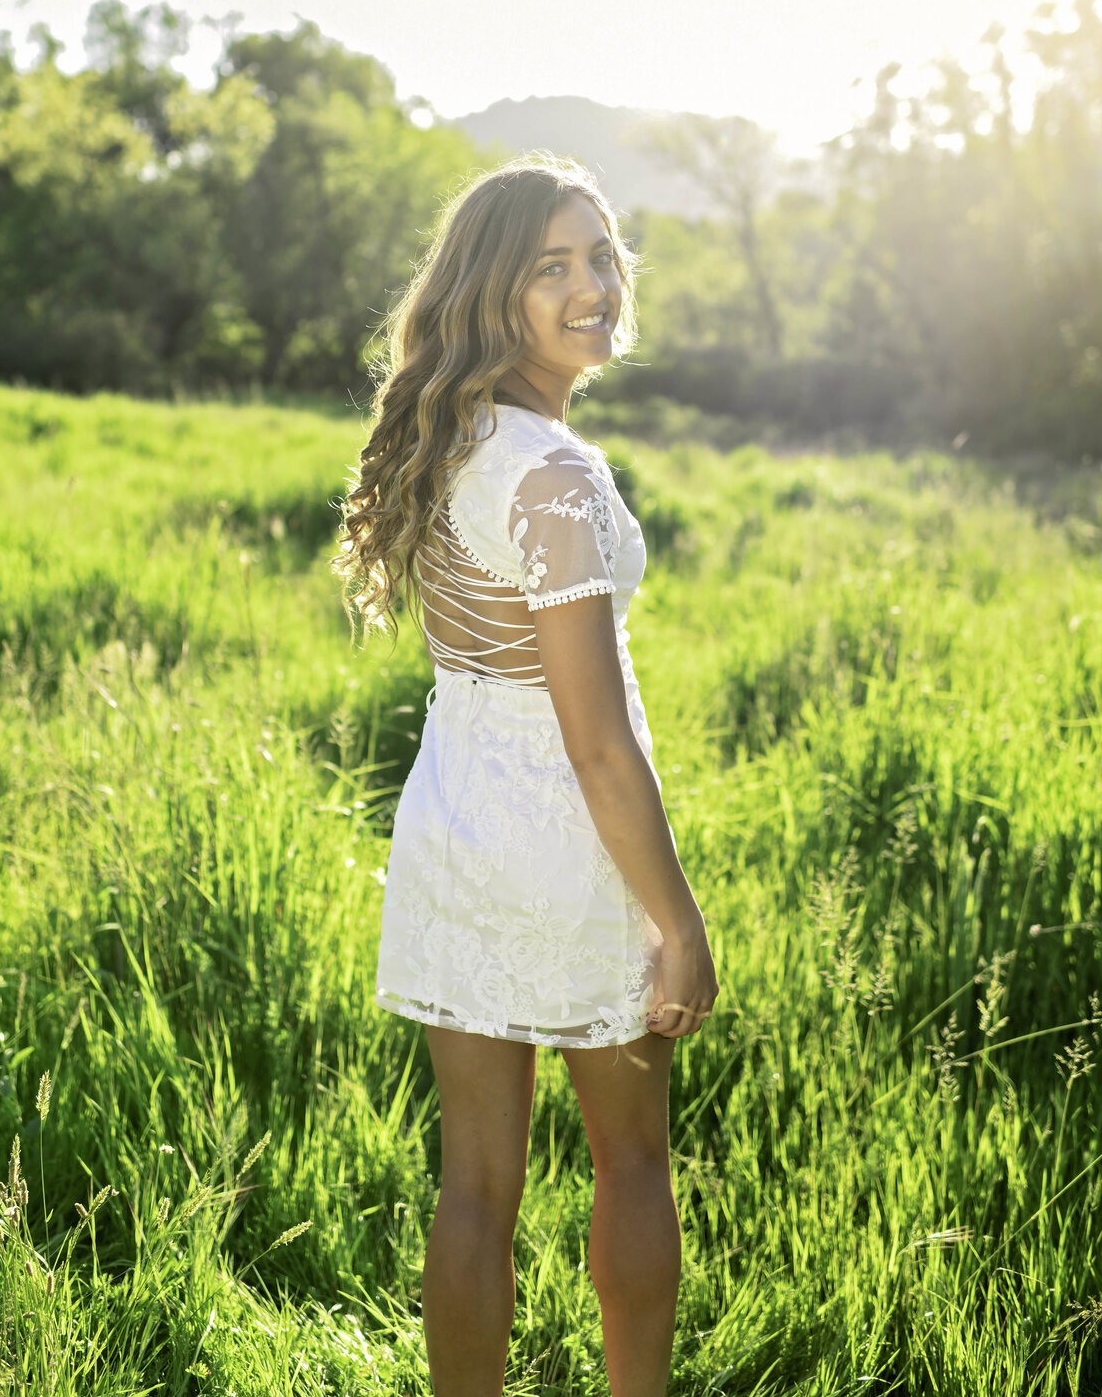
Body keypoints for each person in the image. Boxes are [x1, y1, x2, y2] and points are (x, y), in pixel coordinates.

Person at [332, 154, 719, 1397]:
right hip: (565, 842)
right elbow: (597, 743)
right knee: (632, 1162)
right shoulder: (555, 475)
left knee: (476, 1185)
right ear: (494, 294)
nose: (590, 285)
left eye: (600, 255)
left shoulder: (456, 437)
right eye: (551, 266)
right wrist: (679, 921)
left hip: (454, 825)